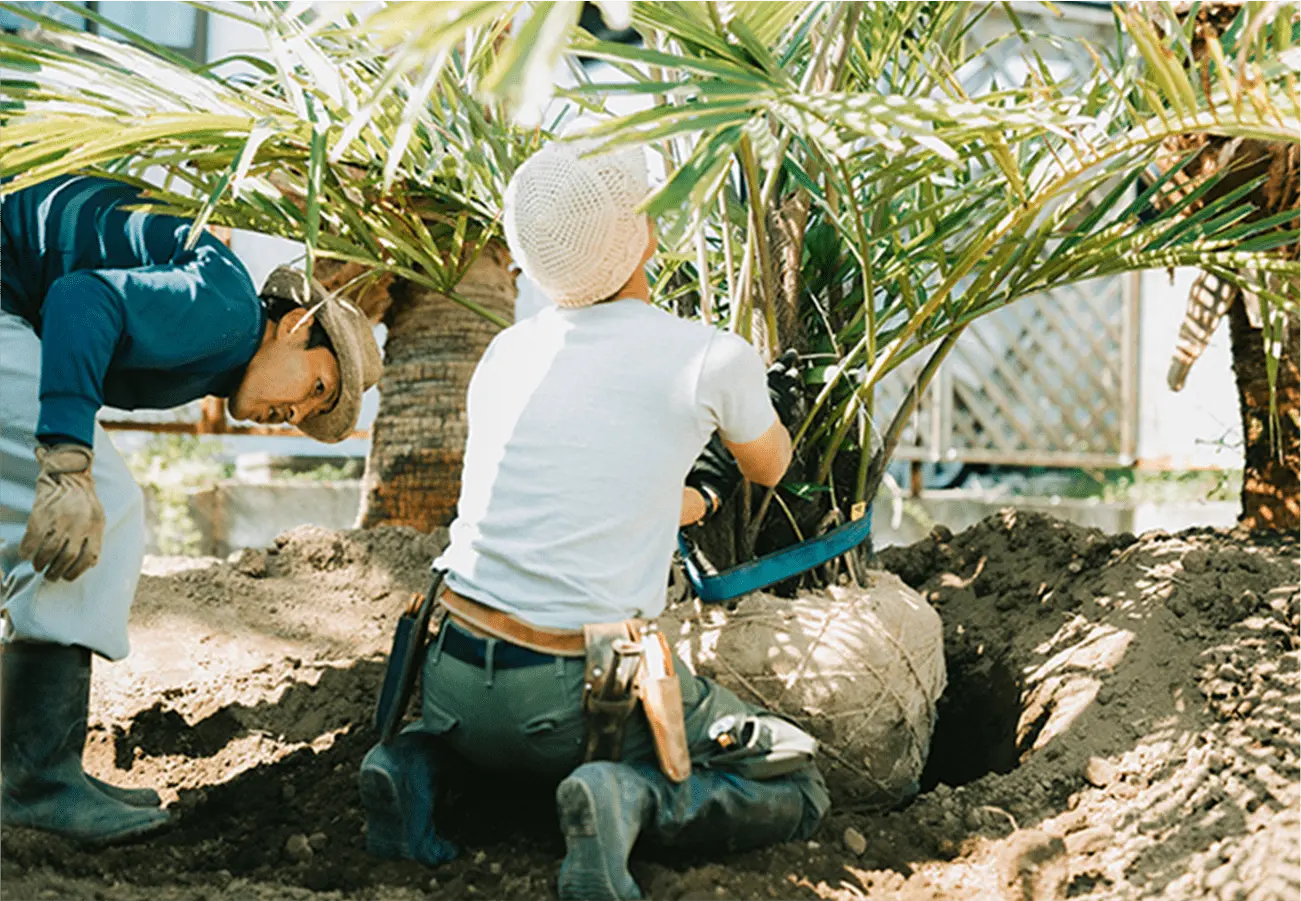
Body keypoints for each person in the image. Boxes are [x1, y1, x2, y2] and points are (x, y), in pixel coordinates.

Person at [359, 142, 829, 901]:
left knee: (498, 751)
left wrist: (697, 494)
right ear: (643, 235)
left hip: (448, 678)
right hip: (574, 696)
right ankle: (633, 798)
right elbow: (770, 465)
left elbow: (598, 499)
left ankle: (414, 765)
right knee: (796, 780)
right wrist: (763, 415)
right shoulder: (708, 355)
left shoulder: (507, 353)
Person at [0, 174, 382, 844]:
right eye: (317, 387)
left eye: (312, 415)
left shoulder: (218, 346)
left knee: (67, 508)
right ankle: (34, 776)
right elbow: (81, 298)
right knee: (106, 503)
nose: (293, 415)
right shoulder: (229, 311)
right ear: (295, 325)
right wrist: (65, 461)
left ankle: (39, 763)